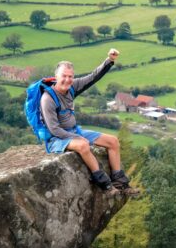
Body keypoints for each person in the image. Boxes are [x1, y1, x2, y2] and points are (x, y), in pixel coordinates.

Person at [41, 48, 138, 195]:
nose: (67, 80)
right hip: (56, 138)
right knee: (83, 145)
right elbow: (54, 129)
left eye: (70, 76)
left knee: (113, 141)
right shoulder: (48, 99)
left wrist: (110, 61)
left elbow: (93, 77)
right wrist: (78, 137)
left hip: (74, 131)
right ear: (56, 77)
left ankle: (120, 182)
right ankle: (106, 185)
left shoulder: (72, 87)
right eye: (64, 76)